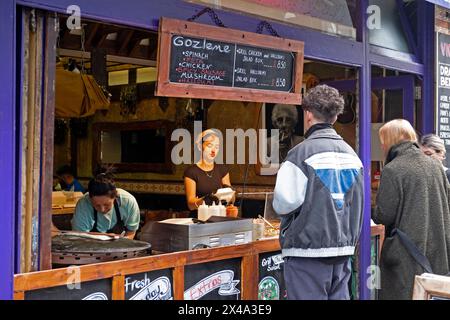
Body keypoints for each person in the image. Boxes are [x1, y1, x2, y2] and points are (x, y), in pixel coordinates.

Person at [272, 84, 364, 300]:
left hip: (306, 253)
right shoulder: (353, 156)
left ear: (308, 114)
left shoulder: (299, 154)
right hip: (343, 253)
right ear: (334, 117)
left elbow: (283, 203)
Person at [373, 119, 450, 300]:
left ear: (391, 141)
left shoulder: (393, 170)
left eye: (383, 141)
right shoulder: (435, 166)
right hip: (437, 254)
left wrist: (371, 210)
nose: (382, 146)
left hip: (405, 258)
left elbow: (384, 215)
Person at [71, 167, 140, 239]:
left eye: (106, 205)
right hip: (91, 246)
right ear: (90, 199)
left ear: (115, 197)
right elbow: (80, 236)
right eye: (97, 205)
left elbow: (131, 231)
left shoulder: (128, 202)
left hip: (119, 246)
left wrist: (120, 245)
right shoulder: (84, 203)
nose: (102, 209)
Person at [184, 129, 231, 212]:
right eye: (209, 146)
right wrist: (205, 200)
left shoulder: (222, 169)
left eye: (217, 147)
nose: (213, 151)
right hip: (199, 220)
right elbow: (190, 205)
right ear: (199, 146)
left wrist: (230, 194)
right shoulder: (191, 172)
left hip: (219, 218)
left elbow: (230, 200)